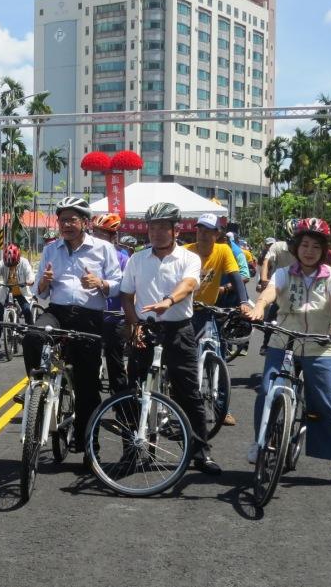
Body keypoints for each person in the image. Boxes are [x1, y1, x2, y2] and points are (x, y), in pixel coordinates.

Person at [244, 217, 331, 489]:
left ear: (323, 251)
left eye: (315, 246)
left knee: (328, 404)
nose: (309, 251)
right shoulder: (284, 273)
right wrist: (259, 307)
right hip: (284, 342)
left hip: (319, 345)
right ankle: (261, 443)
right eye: (304, 244)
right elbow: (270, 292)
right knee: (266, 391)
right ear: (296, 247)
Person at [121, 203, 220, 475]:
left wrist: (168, 301)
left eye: (163, 227)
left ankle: (200, 453)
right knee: (136, 391)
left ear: (176, 230)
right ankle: (133, 449)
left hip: (179, 329)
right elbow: (126, 295)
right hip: (146, 329)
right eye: (152, 227)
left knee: (188, 393)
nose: (157, 233)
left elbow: (189, 285)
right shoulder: (137, 259)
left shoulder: (189, 258)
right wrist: (133, 325)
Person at [29, 196, 121, 466]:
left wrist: (100, 282)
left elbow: (119, 284)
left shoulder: (103, 248)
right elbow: (38, 291)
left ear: (85, 222)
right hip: (57, 312)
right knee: (33, 336)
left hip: (89, 317)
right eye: (62, 219)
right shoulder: (50, 249)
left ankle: (89, 444)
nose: (66, 224)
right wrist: (43, 283)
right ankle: (36, 385)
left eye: (72, 219)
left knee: (88, 387)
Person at [185, 212, 250, 437]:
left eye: (208, 230)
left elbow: (235, 276)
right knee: (185, 359)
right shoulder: (186, 251)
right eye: (199, 229)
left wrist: (243, 301)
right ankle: (179, 402)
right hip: (184, 311)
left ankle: (222, 408)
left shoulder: (224, 251)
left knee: (219, 354)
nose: (202, 233)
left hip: (208, 310)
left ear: (217, 233)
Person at [90, 213, 131, 398]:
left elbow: (128, 290)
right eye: (95, 232)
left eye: (103, 234)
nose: (98, 237)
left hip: (114, 317)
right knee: (86, 364)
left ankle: (124, 410)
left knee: (116, 365)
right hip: (91, 316)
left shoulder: (123, 258)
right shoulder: (87, 254)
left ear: (114, 236)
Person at [0, 243, 35, 361]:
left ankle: (31, 337)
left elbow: (30, 274)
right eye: (8, 264)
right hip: (7, 290)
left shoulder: (24, 263)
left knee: (26, 310)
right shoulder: (2, 263)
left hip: (21, 292)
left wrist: (30, 280)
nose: (10, 266)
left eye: (13, 264)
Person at [257, 220, 299, 292]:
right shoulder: (277, 246)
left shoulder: (305, 252)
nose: (294, 245)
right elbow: (266, 262)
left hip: (296, 288)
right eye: (291, 241)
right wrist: (264, 280)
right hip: (276, 284)